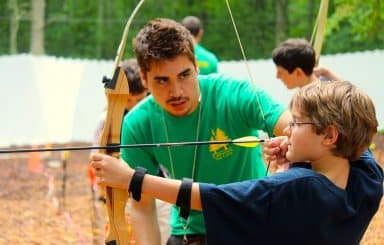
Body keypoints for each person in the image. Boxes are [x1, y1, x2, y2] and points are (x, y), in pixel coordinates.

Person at [91, 80, 383, 245]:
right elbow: (357, 135)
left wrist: (132, 179)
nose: (288, 129)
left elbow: (210, 197)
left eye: (295, 123)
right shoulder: (368, 179)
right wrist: (302, 153)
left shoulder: (297, 187)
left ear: (329, 136)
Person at [93, 18, 290, 245]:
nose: (176, 91)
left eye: (184, 75)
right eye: (162, 80)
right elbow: (143, 206)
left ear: (196, 66)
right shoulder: (138, 124)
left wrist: (290, 140)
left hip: (252, 220)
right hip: (190, 231)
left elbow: (294, 125)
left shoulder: (233, 94)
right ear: (145, 78)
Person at [90, 59, 171, 245]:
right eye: (128, 100)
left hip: (159, 187)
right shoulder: (107, 120)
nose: (134, 106)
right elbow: (97, 158)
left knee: (165, 235)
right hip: (124, 194)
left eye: (139, 99)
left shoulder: (155, 115)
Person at [272, 38, 341, 89]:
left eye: (280, 72)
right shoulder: (326, 86)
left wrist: (327, 72)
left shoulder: (321, 98)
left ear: (298, 72)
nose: (277, 76)